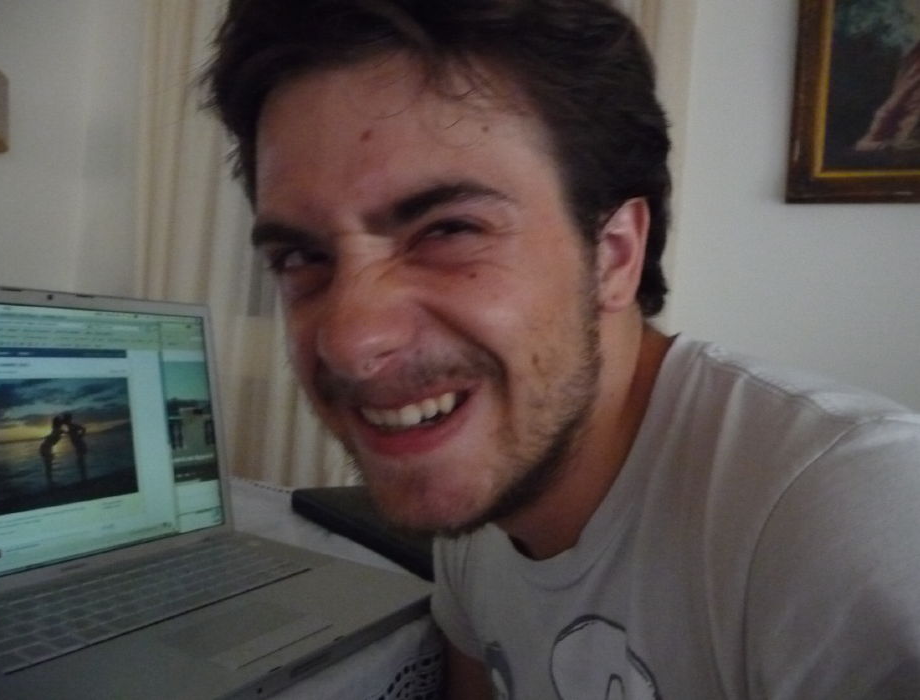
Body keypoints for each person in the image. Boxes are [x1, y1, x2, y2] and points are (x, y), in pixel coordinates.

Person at [205, 1, 920, 697]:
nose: (351, 342)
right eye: (301, 257)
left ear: (614, 255)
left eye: (449, 230)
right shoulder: (478, 488)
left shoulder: (852, 518)